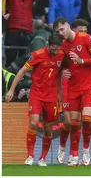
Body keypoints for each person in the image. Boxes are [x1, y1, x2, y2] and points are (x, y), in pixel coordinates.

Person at [57, 18, 91, 166]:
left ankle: (85, 150)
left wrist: (82, 61)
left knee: (86, 119)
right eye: (58, 31)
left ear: (68, 27)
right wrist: (63, 72)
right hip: (73, 87)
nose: (60, 33)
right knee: (73, 123)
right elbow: (60, 65)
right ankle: (74, 156)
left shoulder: (85, 38)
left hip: (89, 86)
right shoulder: (63, 46)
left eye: (62, 29)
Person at [5, 34, 64, 166]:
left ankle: (42, 158)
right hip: (36, 94)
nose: (55, 52)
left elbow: (61, 75)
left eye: (57, 49)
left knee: (48, 129)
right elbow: (21, 71)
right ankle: (30, 156)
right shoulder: (37, 55)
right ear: (48, 45)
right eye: (53, 49)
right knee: (33, 122)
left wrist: (61, 95)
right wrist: (11, 90)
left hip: (51, 97)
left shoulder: (61, 55)